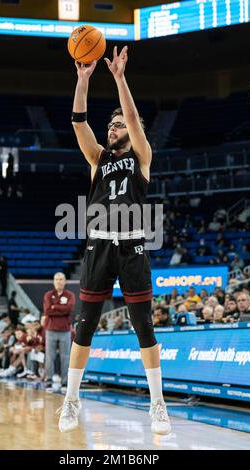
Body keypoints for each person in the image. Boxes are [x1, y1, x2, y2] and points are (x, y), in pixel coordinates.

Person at [57, 46, 171, 435]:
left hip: (134, 246)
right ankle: (71, 400)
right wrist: (83, 80)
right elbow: (77, 122)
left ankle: (158, 404)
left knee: (144, 327)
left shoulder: (141, 155)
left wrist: (120, 79)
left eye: (118, 125)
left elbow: (135, 121)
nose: (113, 130)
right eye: (111, 126)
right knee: (84, 327)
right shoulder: (98, 159)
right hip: (99, 245)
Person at [43, 272, 75, 387]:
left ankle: (65, 380)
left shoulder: (70, 295)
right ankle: (49, 378)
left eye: (61, 279)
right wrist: (61, 309)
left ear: (65, 281)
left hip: (65, 330)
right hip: (50, 329)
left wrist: (54, 306)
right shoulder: (48, 295)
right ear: (53, 281)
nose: (59, 281)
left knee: (65, 356)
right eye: (56, 279)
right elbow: (47, 311)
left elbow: (69, 309)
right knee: (49, 356)